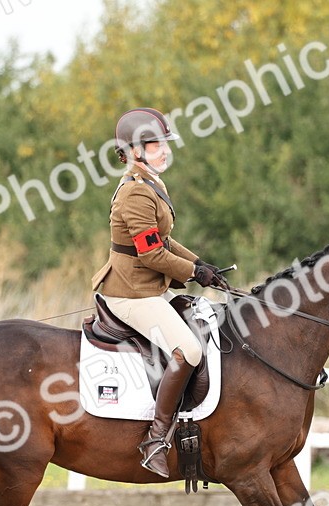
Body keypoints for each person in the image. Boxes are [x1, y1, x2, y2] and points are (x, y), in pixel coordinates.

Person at [90, 107, 231, 478]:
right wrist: (193, 273)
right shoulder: (135, 194)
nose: (165, 151)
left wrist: (201, 264)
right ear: (134, 151)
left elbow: (163, 240)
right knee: (190, 350)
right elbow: (151, 254)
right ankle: (156, 438)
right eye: (156, 145)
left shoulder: (152, 183)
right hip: (132, 293)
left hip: (150, 287)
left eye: (165, 144)